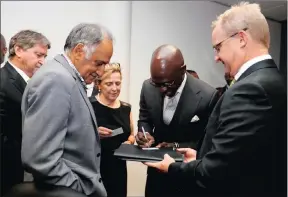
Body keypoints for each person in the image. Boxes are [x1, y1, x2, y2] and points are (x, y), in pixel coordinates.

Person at [145, 2, 287, 197]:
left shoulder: (249, 90)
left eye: (218, 47)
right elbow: (244, 157)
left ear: (241, 39)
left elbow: (217, 172)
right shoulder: (274, 81)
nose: (216, 57)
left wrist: (172, 167)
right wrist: (200, 158)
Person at [21, 23, 114, 197]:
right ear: (79, 51)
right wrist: (79, 189)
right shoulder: (56, 79)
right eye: (99, 63)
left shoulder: (66, 77)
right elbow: (41, 159)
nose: (101, 72)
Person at [136, 44, 218, 197]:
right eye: (157, 84)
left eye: (168, 84)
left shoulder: (207, 95)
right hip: (156, 176)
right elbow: (145, 118)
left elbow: (208, 142)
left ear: (183, 70)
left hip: (186, 176)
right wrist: (144, 133)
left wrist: (176, 146)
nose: (162, 90)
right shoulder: (147, 87)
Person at [0, 30, 50, 196]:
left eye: (44, 56)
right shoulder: (2, 81)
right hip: (9, 172)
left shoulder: (34, 83)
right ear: (19, 50)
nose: (42, 62)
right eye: (38, 55)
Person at [90, 62, 135, 197]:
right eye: (109, 84)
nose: (114, 88)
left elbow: (131, 134)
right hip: (95, 170)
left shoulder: (126, 108)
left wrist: (130, 142)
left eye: (118, 83)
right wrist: (94, 133)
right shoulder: (89, 105)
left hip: (119, 170)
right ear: (99, 85)